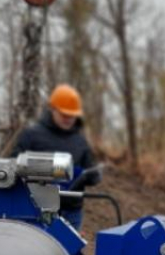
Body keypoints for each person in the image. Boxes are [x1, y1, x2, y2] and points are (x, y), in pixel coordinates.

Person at [13, 84, 101, 230]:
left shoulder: (80, 141)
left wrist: (93, 175)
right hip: (37, 209)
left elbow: (91, 170)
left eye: (71, 115)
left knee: (67, 252)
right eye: (64, 114)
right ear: (52, 109)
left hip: (71, 212)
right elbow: (14, 166)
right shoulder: (31, 135)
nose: (68, 119)